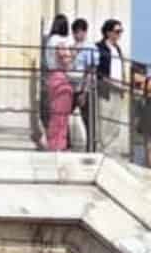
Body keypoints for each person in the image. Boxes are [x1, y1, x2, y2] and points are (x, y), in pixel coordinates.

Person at [93, 18, 128, 156]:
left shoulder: (117, 48)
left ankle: (111, 149)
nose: (119, 34)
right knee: (105, 117)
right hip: (106, 87)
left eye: (121, 31)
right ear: (108, 32)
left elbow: (121, 67)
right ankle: (102, 149)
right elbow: (96, 66)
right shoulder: (99, 47)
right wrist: (103, 78)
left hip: (117, 88)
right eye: (117, 31)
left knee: (115, 120)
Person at [41, 14, 74, 152]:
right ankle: (58, 144)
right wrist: (72, 57)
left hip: (51, 77)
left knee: (56, 113)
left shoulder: (49, 41)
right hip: (61, 77)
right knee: (61, 116)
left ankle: (53, 143)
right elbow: (65, 60)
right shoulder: (61, 41)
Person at [68, 17, 94, 151]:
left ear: (84, 32)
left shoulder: (90, 47)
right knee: (64, 114)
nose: (77, 35)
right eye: (75, 32)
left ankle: (90, 147)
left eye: (79, 32)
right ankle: (67, 144)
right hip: (70, 86)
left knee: (87, 119)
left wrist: (84, 90)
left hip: (83, 87)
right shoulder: (71, 47)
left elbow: (90, 69)